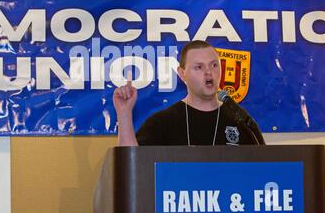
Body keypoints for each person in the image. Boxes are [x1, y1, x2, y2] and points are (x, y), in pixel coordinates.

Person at [113, 40, 265, 146]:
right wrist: (124, 113)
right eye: (199, 67)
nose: (208, 73)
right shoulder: (162, 122)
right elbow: (131, 166)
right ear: (182, 73)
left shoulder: (240, 121)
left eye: (213, 65)